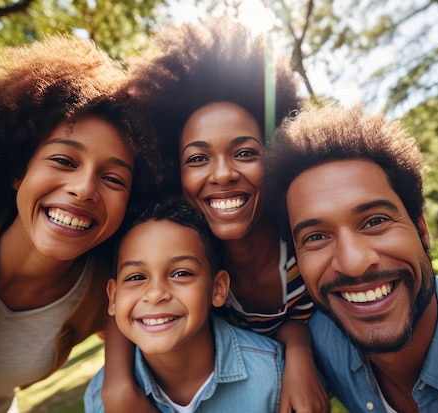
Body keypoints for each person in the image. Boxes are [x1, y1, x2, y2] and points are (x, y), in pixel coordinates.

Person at [99, 17, 329, 413]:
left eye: (244, 153)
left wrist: (299, 347)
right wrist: (117, 385)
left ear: (274, 159)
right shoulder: (186, 255)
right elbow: (134, 293)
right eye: (199, 159)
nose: (222, 174)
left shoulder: (300, 232)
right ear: (177, 174)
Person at [0, 35, 158, 412]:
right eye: (64, 161)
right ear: (18, 170)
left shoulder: (106, 287)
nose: (83, 189)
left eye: (114, 179)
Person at [263, 103, 438, 412]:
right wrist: (297, 346)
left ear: (422, 230)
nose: (354, 262)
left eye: (375, 221)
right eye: (315, 237)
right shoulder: (325, 339)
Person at [84, 196, 285, 412]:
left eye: (181, 273)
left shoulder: (272, 374)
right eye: (136, 277)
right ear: (113, 297)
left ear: (217, 289)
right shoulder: (100, 400)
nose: (155, 294)